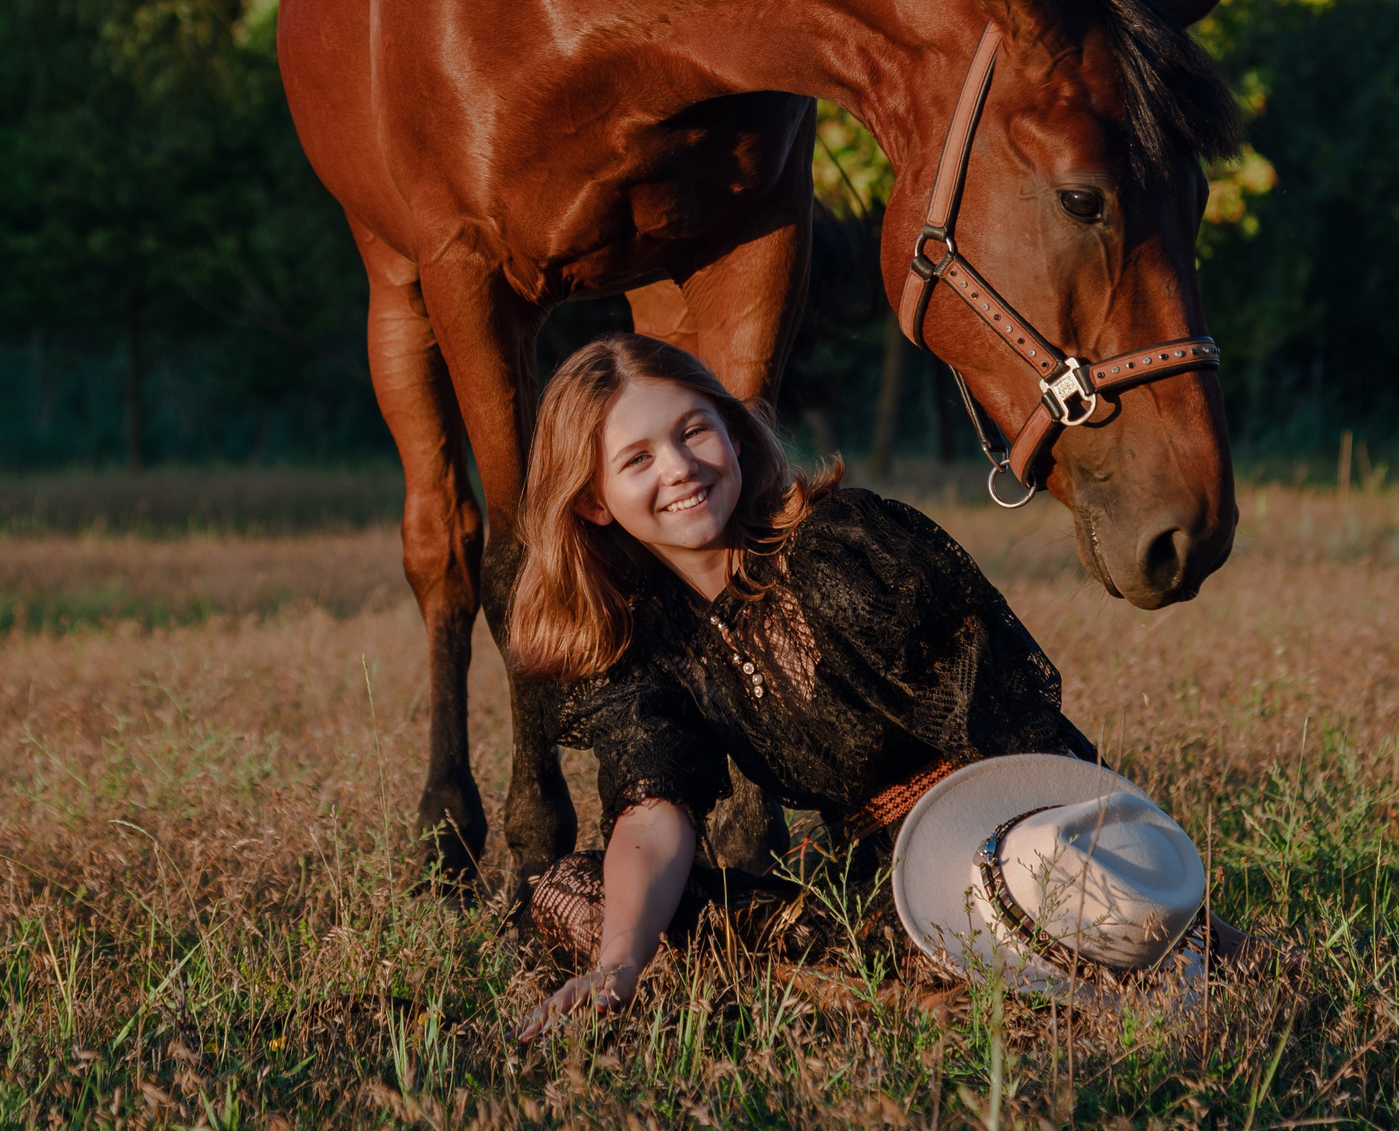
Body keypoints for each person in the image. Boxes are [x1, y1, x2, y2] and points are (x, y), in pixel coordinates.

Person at [505, 333, 1254, 1037]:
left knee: (1013, 911)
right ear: (594, 499)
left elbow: (1019, 732)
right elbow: (651, 812)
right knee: (571, 893)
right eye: (636, 459)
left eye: (694, 430)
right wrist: (617, 965)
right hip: (872, 884)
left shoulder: (841, 550)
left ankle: (920, 989)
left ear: (733, 435)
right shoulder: (649, 645)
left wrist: (1195, 924)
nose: (679, 468)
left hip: (996, 845)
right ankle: (893, 986)